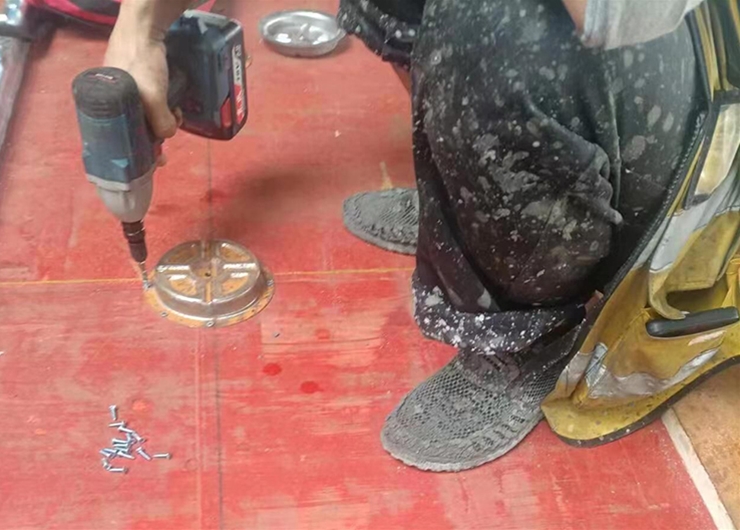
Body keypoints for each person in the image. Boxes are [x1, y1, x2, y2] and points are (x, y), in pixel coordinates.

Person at [106, 0, 707, 471]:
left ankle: (533, 331)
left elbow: (614, 13)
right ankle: (479, 190)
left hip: (673, 97)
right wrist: (142, 30)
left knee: (492, 27)